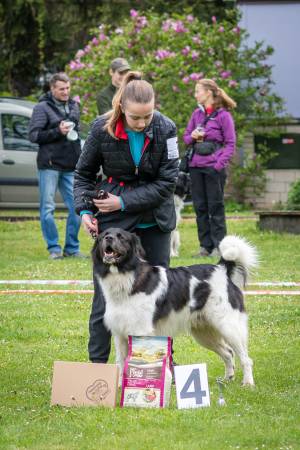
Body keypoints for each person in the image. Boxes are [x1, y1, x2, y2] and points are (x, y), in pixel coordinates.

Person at [74, 71, 179, 363]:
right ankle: (97, 368)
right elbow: (83, 174)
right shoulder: (99, 129)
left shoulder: (167, 128)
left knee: (158, 298)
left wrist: (122, 202)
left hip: (154, 219)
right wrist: (84, 210)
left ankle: (157, 368)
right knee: (104, 300)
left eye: (148, 116)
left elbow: (166, 184)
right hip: (114, 224)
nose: (144, 123)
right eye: (136, 118)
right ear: (121, 108)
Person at [29, 72, 84, 259]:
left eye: (68, 88)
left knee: (77, 207)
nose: (66, 92)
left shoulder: (75, 106)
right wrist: (57, 131)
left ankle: (72, 248)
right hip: (49, 165)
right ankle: (54, 248)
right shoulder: (42, 108)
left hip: (71, 165)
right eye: (61, 89)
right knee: (48, 209)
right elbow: (34, 136)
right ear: (52, 89)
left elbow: (78, 132)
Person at [183, 78, 236, 258]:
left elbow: (230, 144)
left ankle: (219, 247)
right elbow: (186, 138)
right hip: (196, 167)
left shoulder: (224, 116)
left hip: (214, 169)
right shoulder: (196, 115)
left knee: (216, 208)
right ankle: (205, 247)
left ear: (208, 93)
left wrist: (218, 164)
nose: (195, 94)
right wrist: (193, 135)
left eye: (198, 90)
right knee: (200, 208)